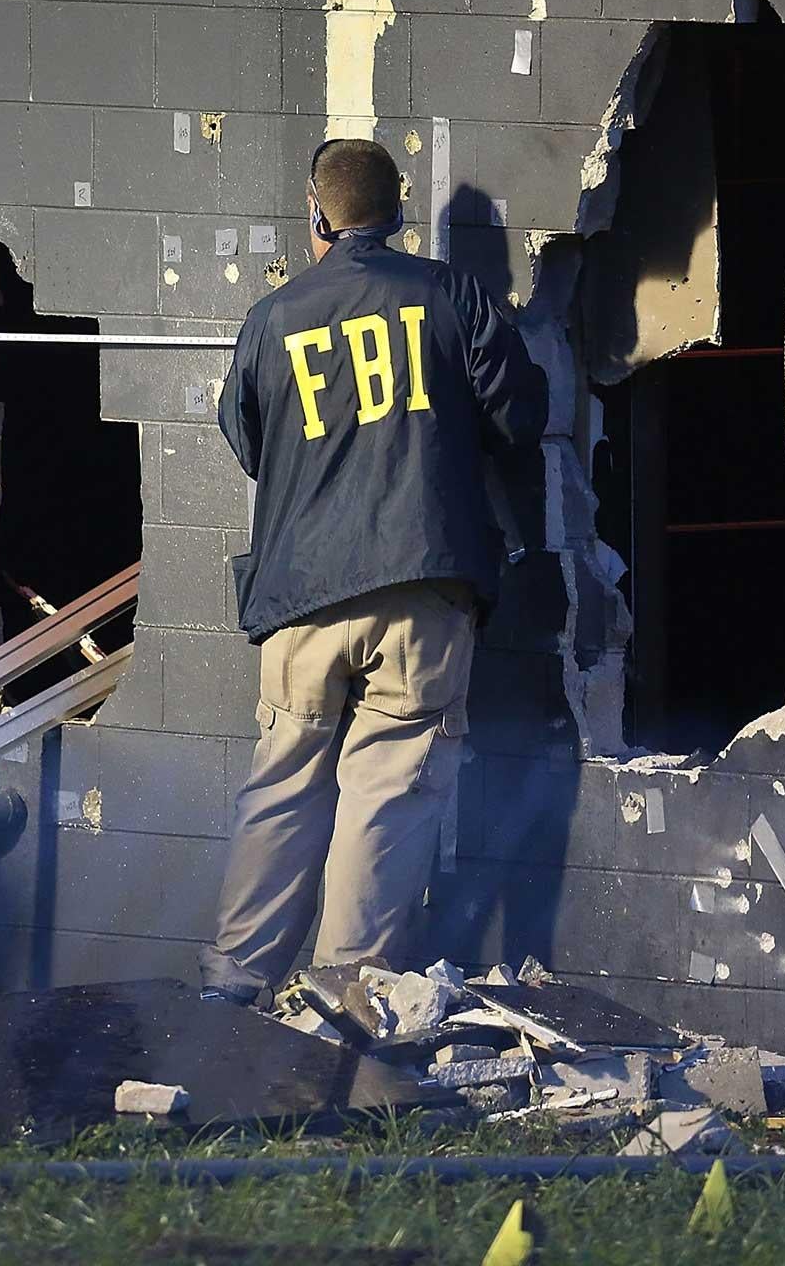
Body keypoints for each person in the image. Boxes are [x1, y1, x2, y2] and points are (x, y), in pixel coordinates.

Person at [200, 139, 547, 1007]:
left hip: (301, 596)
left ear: (317, 216)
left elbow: (247, 440)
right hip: (421, 592)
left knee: (282, 780)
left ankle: (236, 984)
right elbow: (521, 416)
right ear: (397, 215)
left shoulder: (272, 318)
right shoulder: (453, 294)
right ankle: (344, 1002)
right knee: (387, 790)